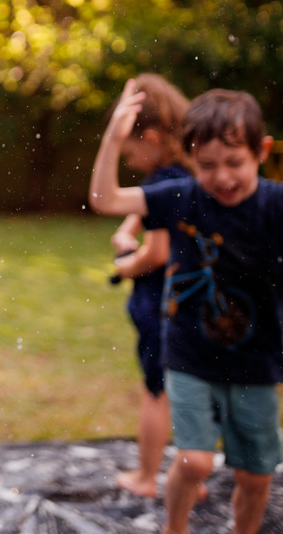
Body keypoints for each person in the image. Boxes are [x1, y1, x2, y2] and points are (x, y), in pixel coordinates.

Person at [89, 83, 283, 534]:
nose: (222, 177)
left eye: (234, 163)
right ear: (189, 157)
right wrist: (112, 138)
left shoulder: (280, 204)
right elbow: (105, 199)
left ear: (260, 151)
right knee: (195, 460)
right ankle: (175, 529)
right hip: (189, 356)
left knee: (256, 474)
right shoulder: (182, 196)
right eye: (206, 166)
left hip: (256, 363)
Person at [106, 74, 191, 498]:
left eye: (131, 148)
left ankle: (146, 477)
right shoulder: (188, 175)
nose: (129, 158)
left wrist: (124, 265)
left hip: (161, 303)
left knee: (156, 391)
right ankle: (191, 474)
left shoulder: (159, 183)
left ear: (153, 137)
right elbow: (146, 218)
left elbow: (156, 253)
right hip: (193, 301)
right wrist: (129, 228)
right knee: (189, 389)